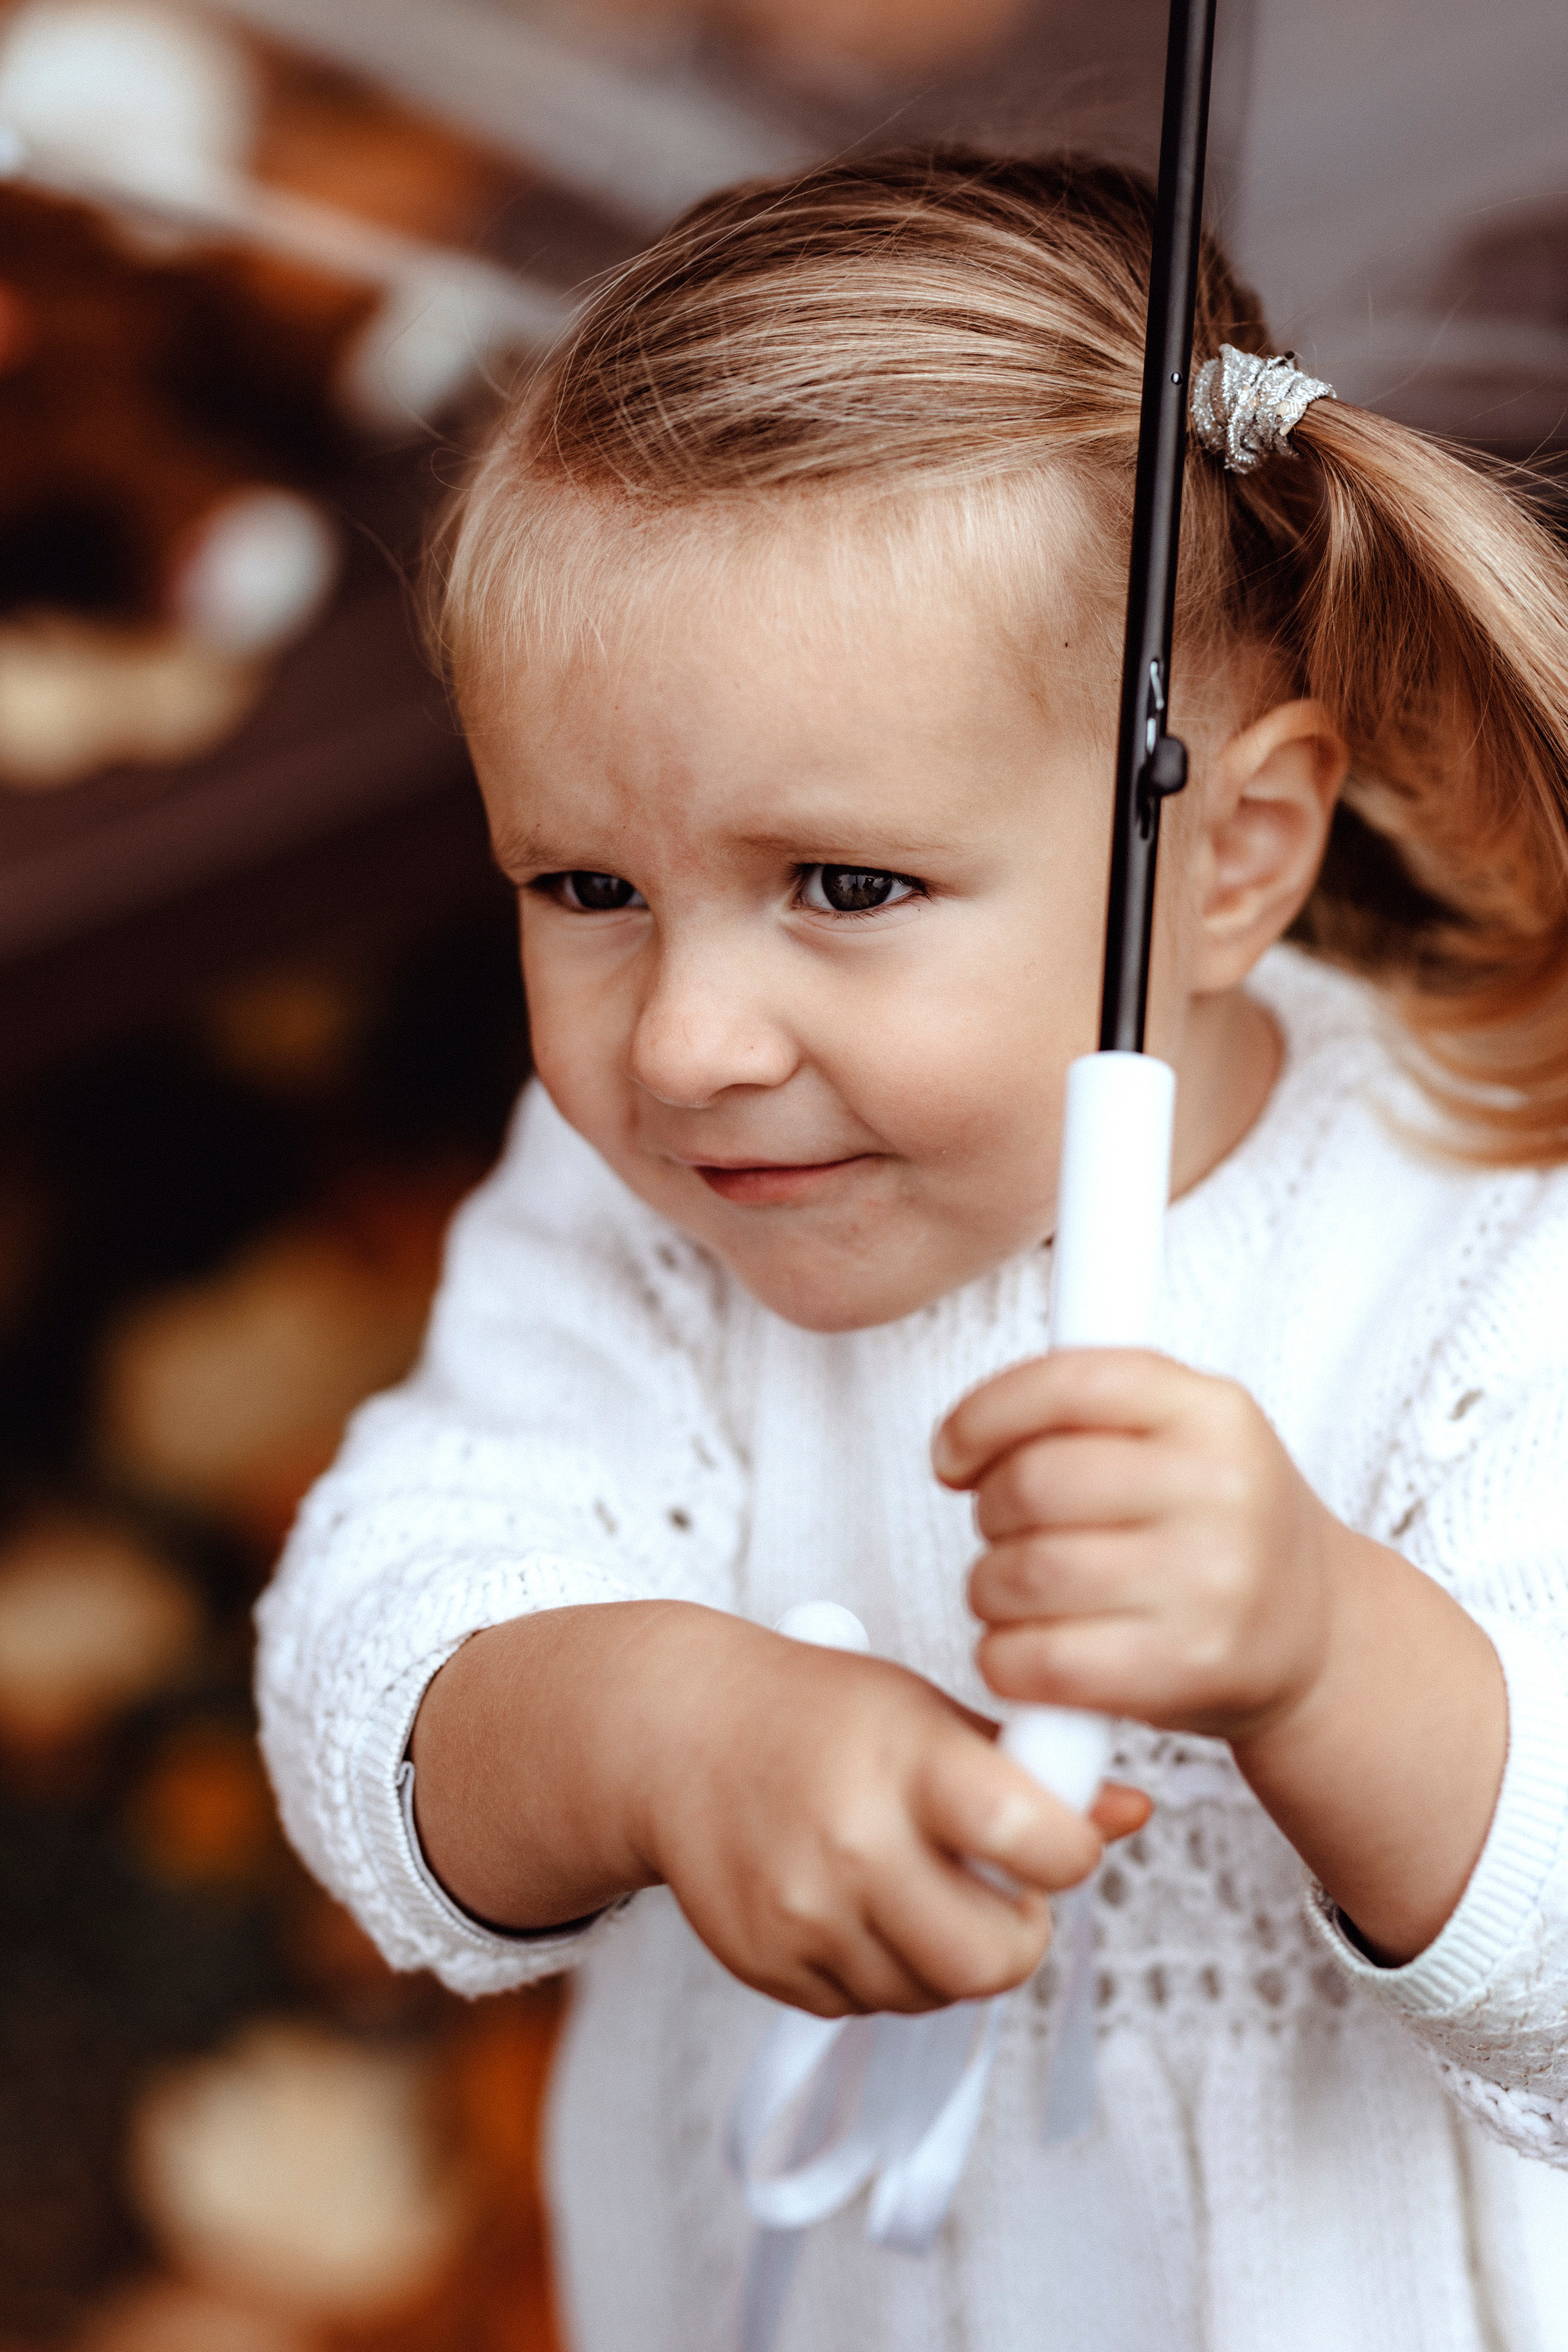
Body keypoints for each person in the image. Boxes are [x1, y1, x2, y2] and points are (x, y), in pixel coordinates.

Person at [257, 151, 1568, 2351]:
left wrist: (1329, 1652)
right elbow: (371, 1653)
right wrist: (659, 1729)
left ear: (1232, 854)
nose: (684, 1042)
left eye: (846, 887)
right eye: (585, 888)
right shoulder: (637, 1223)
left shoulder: (1475, 1245)